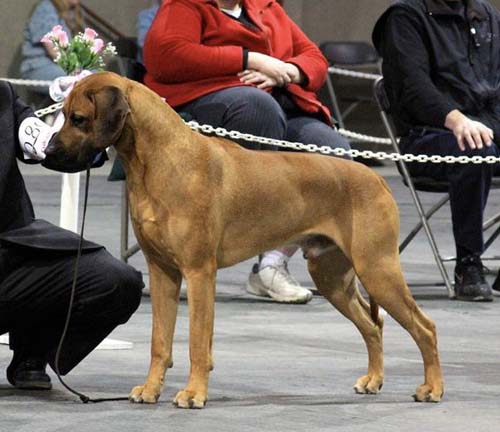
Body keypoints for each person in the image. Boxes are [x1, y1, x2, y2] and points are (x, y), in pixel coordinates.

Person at [143, 0, 351, 304]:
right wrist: (250, 59)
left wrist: (288, 71)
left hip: (279, 103)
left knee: (333, 153)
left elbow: (314, 58)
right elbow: (166, 55)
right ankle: (188, 257)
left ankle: (271, 266)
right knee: (257, 108)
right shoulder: (184, 5)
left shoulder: (266, 6)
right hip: (209, 107)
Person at [0, 81, 144, 390]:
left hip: (10, 247)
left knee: (116, 281)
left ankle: (33, 352)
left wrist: (93, 130)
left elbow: (51, 146)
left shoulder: (3, 95)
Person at [372, 0, 500, 302]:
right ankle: (468, 264)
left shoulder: (486, 14)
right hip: (429, 135)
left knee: (482, 143)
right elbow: (413, 86)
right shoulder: (405, 16)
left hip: (488, 126)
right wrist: (456, 119)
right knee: (475, 150)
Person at [20, 0, 83, 94]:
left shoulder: (72, 13)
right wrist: (76, 70)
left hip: (60, 67)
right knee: (80, 83)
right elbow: (54, 50)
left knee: (97, 78)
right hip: (39, 66)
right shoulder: (46, 8)